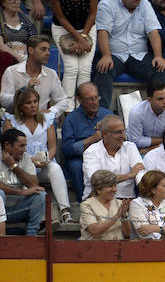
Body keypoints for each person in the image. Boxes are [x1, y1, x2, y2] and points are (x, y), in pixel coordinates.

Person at [94, 0, 165, 110]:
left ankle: (158, 110)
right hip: (114, 54)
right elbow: (102, 32)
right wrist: (106, 55)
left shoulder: (145, 4)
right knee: (103, 69)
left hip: (139, 55)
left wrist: (158, 56)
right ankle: (103, 112)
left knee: (160, 69)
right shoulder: (107, 3)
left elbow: (153, 32)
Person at [3, 87, 71, 222]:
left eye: (35, 101)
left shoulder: (47, 119)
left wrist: (47, 159)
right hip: (22, 163)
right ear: (20, 105)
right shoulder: (11, 121)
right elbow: (8, 148)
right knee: (29, 168)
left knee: (55, 168)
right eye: (28, 102)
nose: (33, 105)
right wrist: (31, 161)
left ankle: (65, 211)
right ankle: (39, 217)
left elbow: (52, 147)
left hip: (43, 162)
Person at [48, 0, 97, 110]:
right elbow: (61, 17)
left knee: (84, 68)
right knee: (71, 68)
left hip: (87, 27)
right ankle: (67, 109)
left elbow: (92, 13)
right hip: (63, 29)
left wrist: (83, 37)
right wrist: (78, 38)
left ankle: (84, 107)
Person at [60, 83, 112, 200]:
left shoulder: (107, 115)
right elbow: (67, 149)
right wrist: (91, 139)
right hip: (80, 158)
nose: (94, 102)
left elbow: (123, 136)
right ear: (80, 100)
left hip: (105, 155)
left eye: (96, 97)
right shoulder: (71, 119)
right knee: (75, 166)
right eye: (89, 99)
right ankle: (84, 201)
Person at [0, 35, 68, 118]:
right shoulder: (11, 71)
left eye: (48, 50)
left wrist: (51, 112)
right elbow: (4, 100)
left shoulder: (51, 74)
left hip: (41, 121)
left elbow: (63, 100)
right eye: (43, 49)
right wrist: (24, 90)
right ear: (31, 50)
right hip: (17, 120)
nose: (48, 53)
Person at [81, 115, 143, 201]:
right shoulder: (91, 152)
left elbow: (140, 172)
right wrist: (130, 175)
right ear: (104, 134)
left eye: (124, 131)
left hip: (127, 200)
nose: (123, 136)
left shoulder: (130, 147)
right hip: (98, 199)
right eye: (118, 132)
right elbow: (99, 182)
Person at [0, 127, 46, 235]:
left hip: (18, 208)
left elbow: (34, 184)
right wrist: (21, 192)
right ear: (7, 145)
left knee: (40, 194)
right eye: (21, 146)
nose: (25, 149)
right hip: (2, 208)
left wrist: (14, 166)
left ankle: (31, 235)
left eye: (25, 145)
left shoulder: (24, 158)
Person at [127, 82, 165, 154]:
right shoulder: (136, 112)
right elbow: (136, 142)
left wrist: (150, 149)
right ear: (149, 100)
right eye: (160, 99)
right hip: (140, 151)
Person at [129, 170, 165, 239]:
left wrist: (157, 229)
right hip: (144, 247)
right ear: (152, 189)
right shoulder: (137, 204)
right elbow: (143, 234)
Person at [79, 169, 131, 239]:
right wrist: (117, 216)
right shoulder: (87, 205)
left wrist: (124, 216)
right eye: (110, 186)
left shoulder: (119, 203)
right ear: (98, 189)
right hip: (95, 247)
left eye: (115, 186)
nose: (114, 189)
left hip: (118, 247)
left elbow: (127, 234)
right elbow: (95, 231)